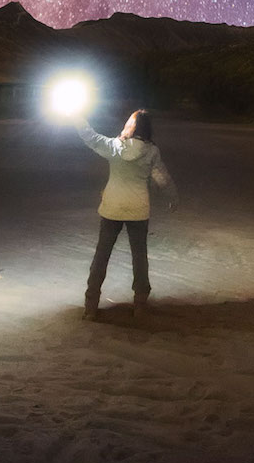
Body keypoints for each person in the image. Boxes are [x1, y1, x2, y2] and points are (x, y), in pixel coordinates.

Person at [75, 107, 178, 321]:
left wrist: (76, 116)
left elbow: (91, 138)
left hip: (112, 207)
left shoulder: (115, 146)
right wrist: (172, 197)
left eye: (128, 121)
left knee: (102, 255)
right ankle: (140, 303)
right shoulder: (151, 151)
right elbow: (162, 177)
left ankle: (91, 305)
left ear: (132, 126)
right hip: (138, 209)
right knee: (139, 256)